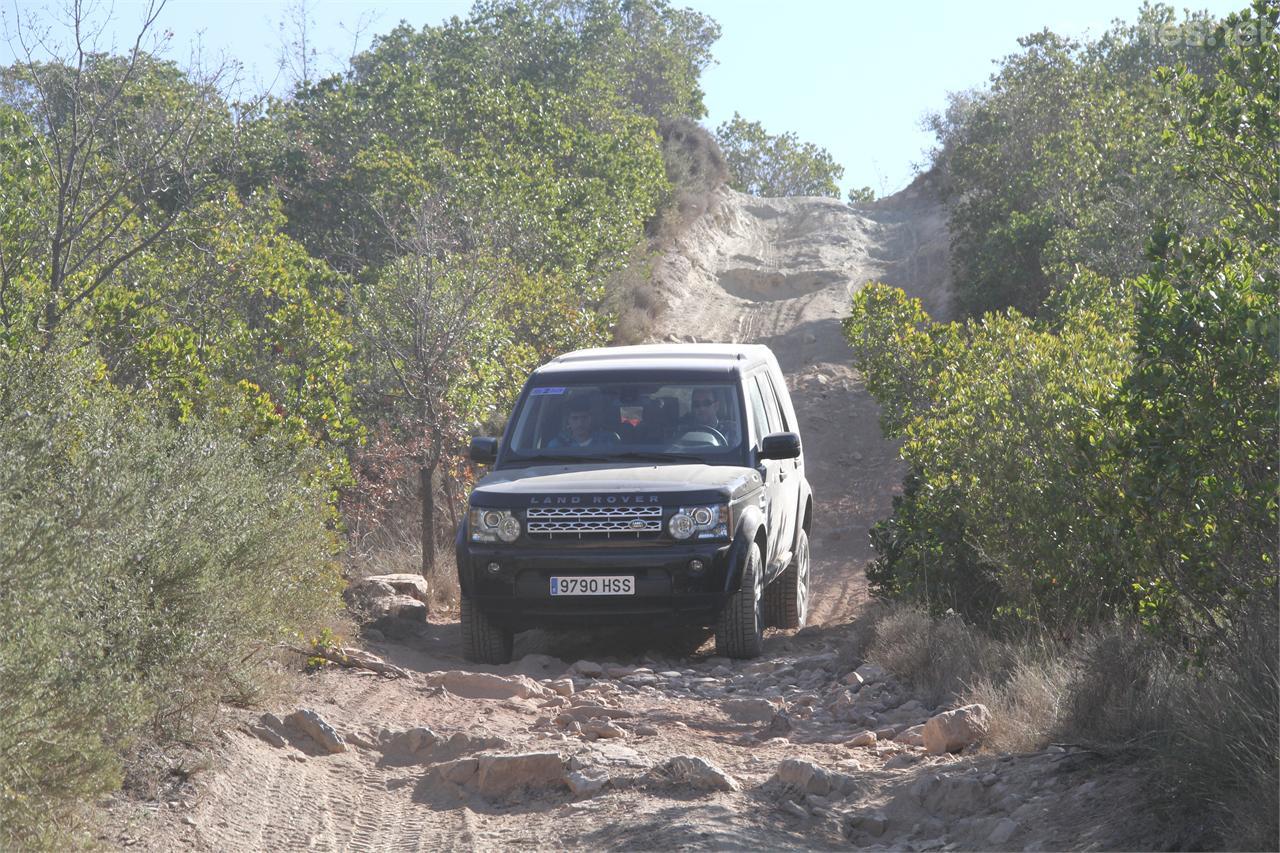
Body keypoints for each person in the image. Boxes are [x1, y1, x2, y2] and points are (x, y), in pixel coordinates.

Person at [547, 399, 619, 448]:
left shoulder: (608, 441)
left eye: (584, 418)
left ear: (591, 419)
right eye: (575, 418)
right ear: (568, 420)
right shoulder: (557, 445)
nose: (580, 423)